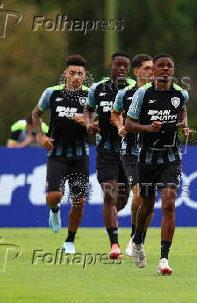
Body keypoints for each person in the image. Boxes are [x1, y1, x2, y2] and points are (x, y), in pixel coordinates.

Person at [125, 53, 191, 275]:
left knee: (170, 202)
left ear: (173, 70)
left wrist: (184, 127)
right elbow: (129, 123)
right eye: (160, 66)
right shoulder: (143, 94)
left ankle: (164, 258)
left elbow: (182, 109)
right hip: (146, 159)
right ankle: (138, 241)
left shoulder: (180, 94)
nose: (165, 69)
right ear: (153, 71)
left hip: (171, 158)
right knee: (146, 206)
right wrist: (147, 128)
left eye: (169, 66)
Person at [32, 54, 90, 254]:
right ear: (65, 73)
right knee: (54, 196)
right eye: (72, 73)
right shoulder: (52, 93)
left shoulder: (90, 95)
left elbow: (102, 124)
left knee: (79, 200)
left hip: (80, 155)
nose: (76, 77)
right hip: (56, 154)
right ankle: (55, 211)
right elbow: (36, 113)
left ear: (84, 76)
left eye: (80, 74)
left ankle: (70, 241)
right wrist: (40, 136)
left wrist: (89, 122)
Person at [84, 52, 136, 259]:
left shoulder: (136, 89)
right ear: (111, 66)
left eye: (126, 65)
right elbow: (88, 109)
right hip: (105, 149)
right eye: (118, 65)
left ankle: (130, 237)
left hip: (129, 150)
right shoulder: (97, 89)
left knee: (121, 200)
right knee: (109, 193)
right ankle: (114, 245)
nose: (122, 69)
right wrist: (89, 124)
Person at [111, 54, 155, 257]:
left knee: (149, 199)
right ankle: (133, 237)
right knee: (138, 194)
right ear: (136, 71)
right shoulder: (125, 94)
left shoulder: (162, 94)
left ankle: (139, 240)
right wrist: (120, 126)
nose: (151, 71)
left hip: (154, 152)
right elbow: (115, 112)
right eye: (147, 68)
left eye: (153, 68)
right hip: (130, 152)